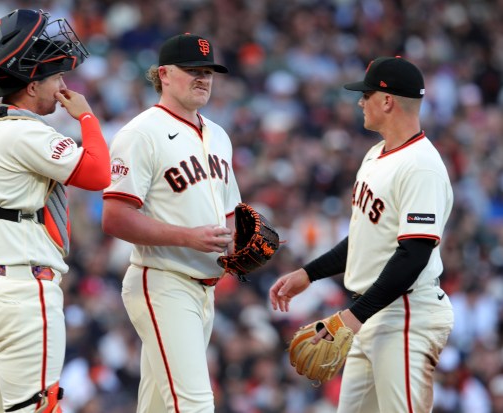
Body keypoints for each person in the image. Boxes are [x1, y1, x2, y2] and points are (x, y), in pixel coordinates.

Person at [269, 56, 454, 413]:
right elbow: (365, 236)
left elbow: (413, 254)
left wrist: (354, 317)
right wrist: (309, 273)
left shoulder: (422, 166)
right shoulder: (375, 155)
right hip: (371, 313)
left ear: (387, 101)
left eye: (366, 94)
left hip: (406, 315)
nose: (360, 102)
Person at [0, 9, 111, 413]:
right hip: (24, 291)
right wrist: (87, 117)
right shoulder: (26, 132)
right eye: (56, 77)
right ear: (30, 85)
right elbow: (98, 173)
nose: (62, 87)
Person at [102, 33, 241, 412]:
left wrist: (240, 246)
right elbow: (114, 217)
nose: (204, 79)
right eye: (193, 70)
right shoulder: (140, 133)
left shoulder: (219, 136)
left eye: (209, 71)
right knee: (194, 404)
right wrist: (188, 237)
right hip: (163, 280)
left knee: (160, 406)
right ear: (163, 74)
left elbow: (229, 214)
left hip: (204, 289)